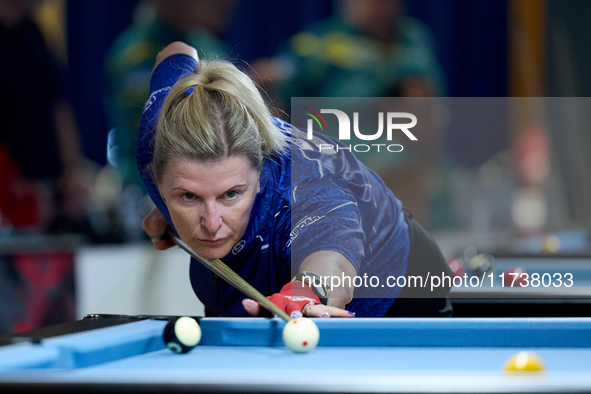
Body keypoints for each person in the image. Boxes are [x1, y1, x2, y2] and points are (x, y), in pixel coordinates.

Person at [140, 42, 452, 318]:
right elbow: (177, 50)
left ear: (260, 173)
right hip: (256, 288)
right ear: (157, 176)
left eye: (231, 194)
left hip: (397, 288)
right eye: (190, 196)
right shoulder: (161, 128)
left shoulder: (307, 187)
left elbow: (332, 257)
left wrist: (306, 293)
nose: (210, 223)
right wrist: (168, 204)